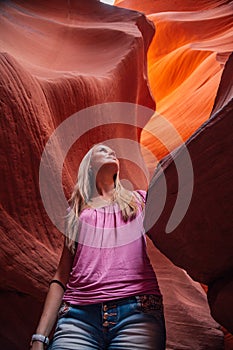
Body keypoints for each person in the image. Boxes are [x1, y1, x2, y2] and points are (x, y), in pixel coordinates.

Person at [30, 144, 166, 350]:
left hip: (137, 311)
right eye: (102, 150)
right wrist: (39, 337)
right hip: (77, 318)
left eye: (113, 150)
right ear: (89, 165)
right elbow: (61, 275)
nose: (111, 151)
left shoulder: (138, 199)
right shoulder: (76, 212)